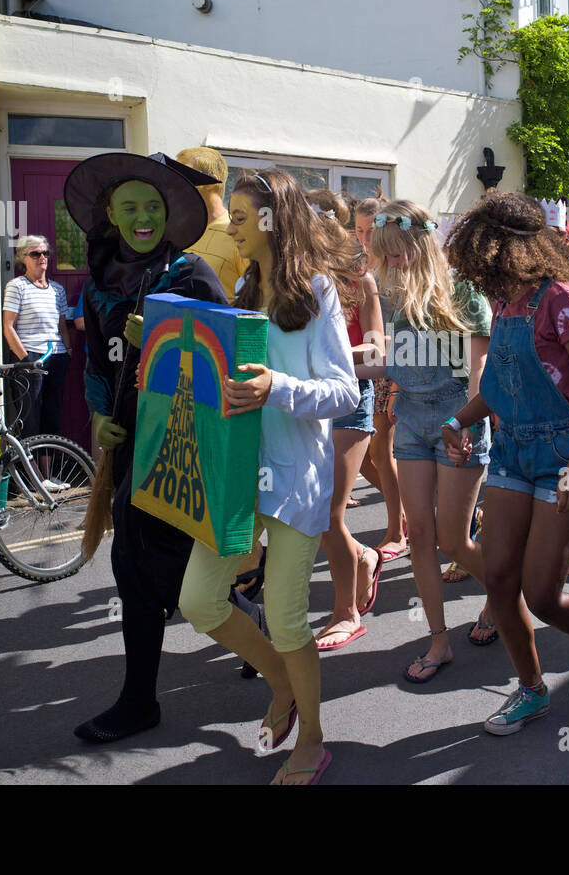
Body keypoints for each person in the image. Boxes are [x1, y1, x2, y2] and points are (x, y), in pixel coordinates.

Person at [175, 168, 359, 785]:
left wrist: (275, 387)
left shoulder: (317, 290)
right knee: (199, 599)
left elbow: (343, 392)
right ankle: (281, 682)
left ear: (275, 219)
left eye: (242, 214)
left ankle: (311, 738)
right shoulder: (241, 287)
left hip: (296, 478)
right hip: (238, 473)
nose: (230, 224)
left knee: (285, 619)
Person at [65, 151, 256, 745]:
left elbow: (233, 358)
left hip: (183, 446)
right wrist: (99, 418)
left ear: (169, 213)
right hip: (127, 449)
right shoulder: (98, 283)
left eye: (152, 206)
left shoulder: (191, 275)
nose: (143, 217)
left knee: (163, 572)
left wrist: (166, 339)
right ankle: (143, 698)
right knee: (137, 570)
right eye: (131, 207)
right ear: (112, 215)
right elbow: (95, 363)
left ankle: (245, 632)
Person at [444, 191, 569, 734]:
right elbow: (499, 388)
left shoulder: (561, 300)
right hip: (511, 452)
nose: (479, 278)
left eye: (484, 264)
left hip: (561, 454)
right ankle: (530, 690)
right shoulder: (504, 306)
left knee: (542, 595)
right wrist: (459, 420)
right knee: (499, 579)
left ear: (506, 252)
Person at [370, 199, 495, 682]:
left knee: (453, 540)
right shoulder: (398, 300)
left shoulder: (465, 294)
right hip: (411, 423)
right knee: (420, 535)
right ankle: (439, 640)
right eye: (385, 256)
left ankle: (504, 595)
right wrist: (331, 368)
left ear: (421, 245)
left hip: (454, 423)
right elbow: (396, 365)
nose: (391, 264)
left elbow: (478, 376)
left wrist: (462, 425)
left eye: (398, 254)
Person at [310, 191, 385, 652]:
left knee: (327, 513)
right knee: (311, 515)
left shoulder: (361, 279)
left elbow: (376, 355)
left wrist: (321, 359)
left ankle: (346, 613)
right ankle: (363, 558)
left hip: (350, 400)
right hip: (306, 405)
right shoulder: (293, 278)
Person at [351, 196, 408, 563]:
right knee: (366, 455)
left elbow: (408, 326)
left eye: (370, 229)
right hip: (368, 363)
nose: (364, 237)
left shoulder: (396, 266)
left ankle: (398, 530)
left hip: (397, 362)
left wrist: (400, 385)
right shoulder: (358, 263)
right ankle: (409, 513)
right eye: (358, 229)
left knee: (383, 451)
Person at [2, 234, 71, 438]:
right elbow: (8, 326)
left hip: (56, 357)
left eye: (45, 253)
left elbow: (62, 326)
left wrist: (68, 351)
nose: (42, 257)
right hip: (30, 357)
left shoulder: (57, 289)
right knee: (30, 416)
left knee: (52, 416)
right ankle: (29, 468)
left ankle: (46, 470)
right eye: (35, 254)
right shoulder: (17, 286)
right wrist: (25, 360)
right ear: (24, 258)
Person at [176, 147, 246, 303]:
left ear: (209, 182)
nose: (176, 182)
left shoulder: (239, 233)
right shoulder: (176, 232)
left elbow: (255, 302)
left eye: (183, 175)